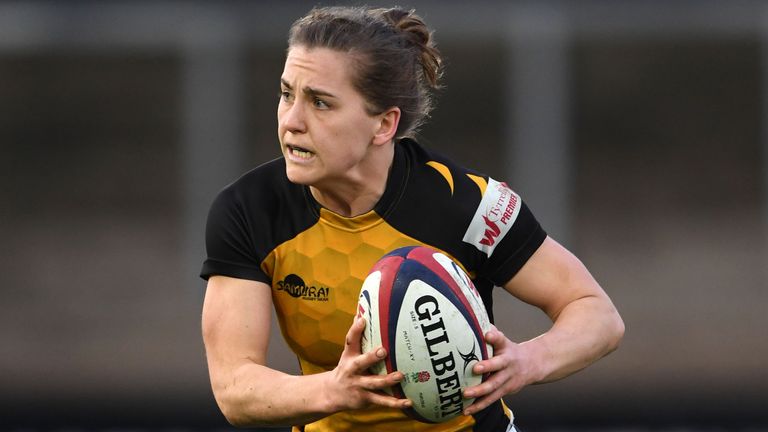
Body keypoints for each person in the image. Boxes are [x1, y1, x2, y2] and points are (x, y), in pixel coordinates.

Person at [200, 5, 624, 432]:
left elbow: (597, 315)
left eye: (320, 103)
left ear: (384, 124)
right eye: (287, 93)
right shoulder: (247, 211)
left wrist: (526, 361)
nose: (291, 121)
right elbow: (234, 388)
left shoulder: (465, 204)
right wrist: (334, 390)